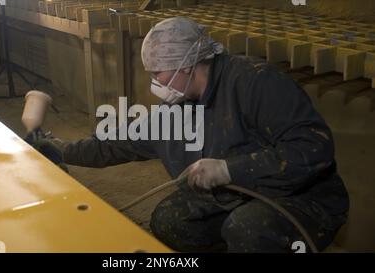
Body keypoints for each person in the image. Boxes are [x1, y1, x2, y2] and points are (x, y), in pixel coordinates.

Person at [34, 17, 349, 252]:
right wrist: (62, 150)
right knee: (170, 220)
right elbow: (120, 143)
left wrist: (229, 169)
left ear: (186, 66)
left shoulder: (255, 83)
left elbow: (313, 148)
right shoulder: (179, 105)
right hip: (234, 196)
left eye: (156, 73)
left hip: (300, 198)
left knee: (249, 228)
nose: (153, 83)